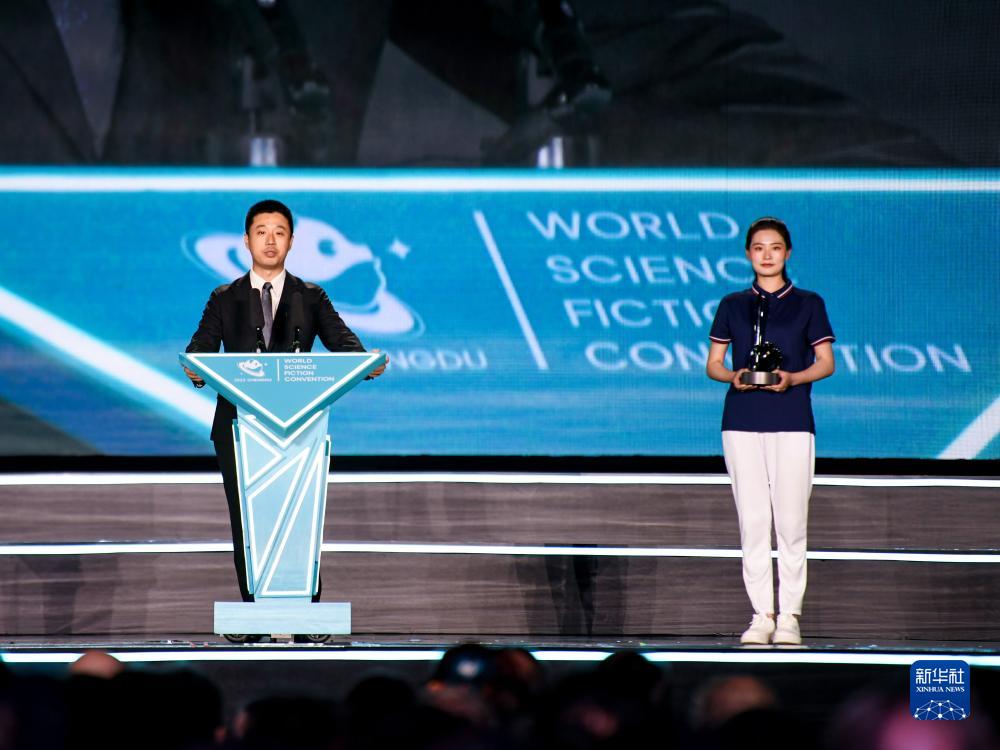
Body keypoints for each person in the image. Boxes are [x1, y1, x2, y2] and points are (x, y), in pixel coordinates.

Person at [183, 199, 386, 605]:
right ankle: (253, 606)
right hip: (238, 429)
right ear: (246, 240)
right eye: (261, 232)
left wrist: (367, 363)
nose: (270, 241)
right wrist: (196, 368)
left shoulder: (310, 296)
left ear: (291, 241)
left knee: (298, 513)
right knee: (247, 519)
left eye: (279, 233)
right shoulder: (224, 298)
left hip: (298, 426)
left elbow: (345, 346)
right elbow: (200, 349)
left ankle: (305, 606)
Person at [705, 217, 835, 645]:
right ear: (748, 253)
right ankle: (762, 614)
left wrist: (793, 378)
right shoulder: (732, 304)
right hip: (741, 421)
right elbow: (713, 364)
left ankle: (790, 616)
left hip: (792, 419)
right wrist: (734, 375)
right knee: (754, 520)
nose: (766, 255)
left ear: (787, 253)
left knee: (792, 521)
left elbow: (826, 363)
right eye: (758, 248)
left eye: (775, 247)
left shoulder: (809, 303)